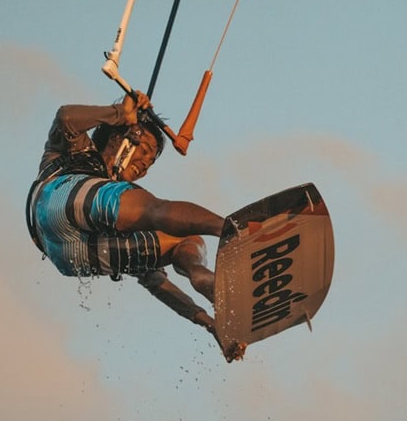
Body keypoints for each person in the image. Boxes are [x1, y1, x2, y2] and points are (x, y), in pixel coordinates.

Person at [26, 92, 244, 359]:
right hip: (56, 198)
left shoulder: (114, 208)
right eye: (145, 152)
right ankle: (236, 231)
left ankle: (203, 278)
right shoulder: (77, 149)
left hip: (69, 257)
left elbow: (154, 281)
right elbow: (66, 117)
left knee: (186, 242)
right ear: (119, 138)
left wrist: (208, 324)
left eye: (151, 162)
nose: (145, 165)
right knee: (155, 210)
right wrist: (119, 113)